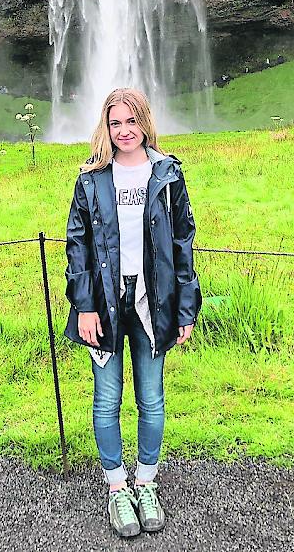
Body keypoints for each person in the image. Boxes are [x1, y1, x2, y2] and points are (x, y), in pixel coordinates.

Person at [64, 87, 201, 538]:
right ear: (105, 127)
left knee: (151, 397)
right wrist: (83, 305)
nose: (124, 131)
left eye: (131, 121)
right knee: (106, 398)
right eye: (115, 122)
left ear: (145, 122)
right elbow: (77, 245)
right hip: (104, 301)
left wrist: (185, 308)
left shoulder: (166, 174)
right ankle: (116, 487)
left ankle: (145, 482)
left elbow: (183, 244)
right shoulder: (90, 178)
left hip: (153, 300)